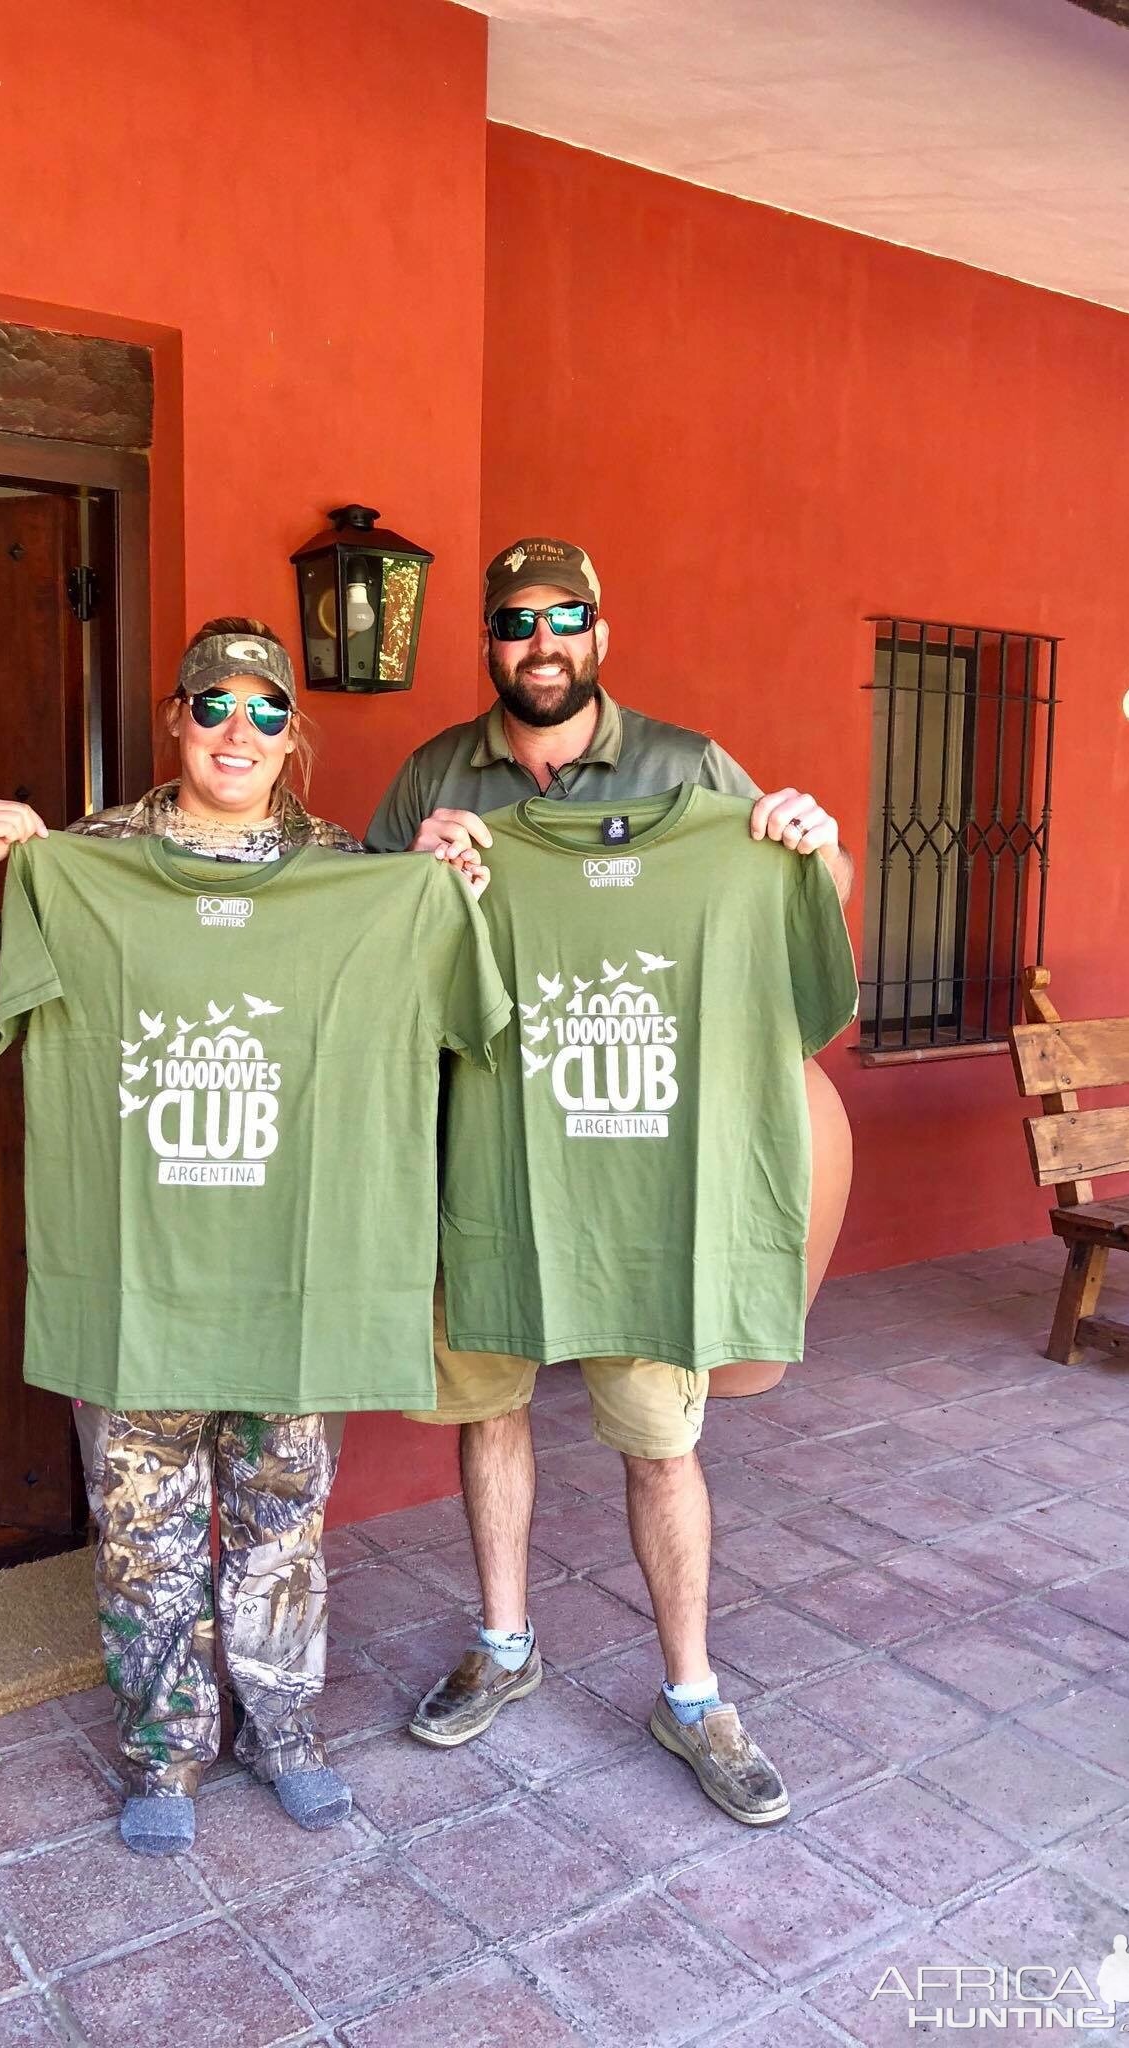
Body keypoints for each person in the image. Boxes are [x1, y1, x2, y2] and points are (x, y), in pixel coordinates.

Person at [0, 616, 483, 1858]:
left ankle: (284, 1726)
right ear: (176, 716)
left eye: (267, 709)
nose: (239, 729)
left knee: (283, 1514)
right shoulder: (87, 862)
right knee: (143, 1527)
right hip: (143, 1277)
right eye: (215, 703)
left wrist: (447, 887)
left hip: (295, 1272)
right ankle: (166, 1744)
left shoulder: (352, 869)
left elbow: (442, 1026)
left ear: (294, 735)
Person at [367, 538, 854, 1826]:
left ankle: (692, 1692)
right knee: (492, 1405)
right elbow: (370, 953)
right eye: (516, 620)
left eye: (563, 616)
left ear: (599, 629)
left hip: (648, 1183)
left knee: (663, 1441)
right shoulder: (437, 771)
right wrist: (417, 878)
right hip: (491, 1168)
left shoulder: (692, 769)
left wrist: (812, 848)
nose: (541, 640)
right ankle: (506, 1643)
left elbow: (810, 918)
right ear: (489, 639)